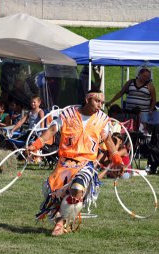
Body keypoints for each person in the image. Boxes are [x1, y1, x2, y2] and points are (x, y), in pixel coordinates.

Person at [27, 89, 125, 236]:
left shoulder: (102, 119)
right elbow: (53, 129)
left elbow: (108, 140)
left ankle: (61, 223)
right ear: (87, 99)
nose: (100, 105)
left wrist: (117, 159)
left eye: (102, 102)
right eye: (97, 101)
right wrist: (35, 145)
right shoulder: (68, 114)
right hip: (65, 164)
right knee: (58, 195)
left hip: (86, 163)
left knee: (77, 190)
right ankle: (61, 218)